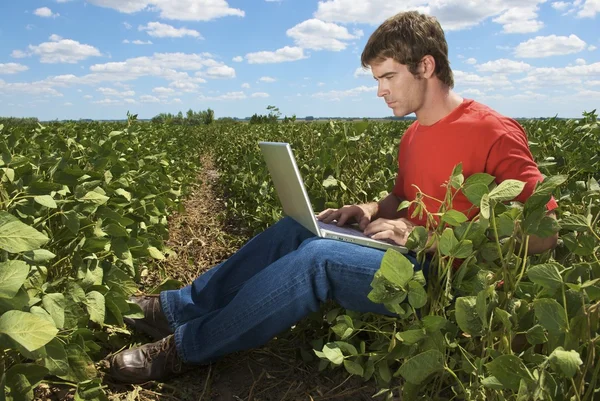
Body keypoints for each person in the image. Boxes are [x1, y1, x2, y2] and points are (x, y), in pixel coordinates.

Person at [108, 10, 558, 384]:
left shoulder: (492, 131)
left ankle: (184, 348)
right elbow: (403, 197)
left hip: (444, 281)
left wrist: (429, 239)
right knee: (297, 229)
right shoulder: (415, 135)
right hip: (401, 255)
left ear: (426, 66)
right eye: (376, 79)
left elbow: (545, 234)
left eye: (388, 77)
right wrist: (364, 210)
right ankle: (175, 308)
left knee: (318, 257)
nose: (380, 90)